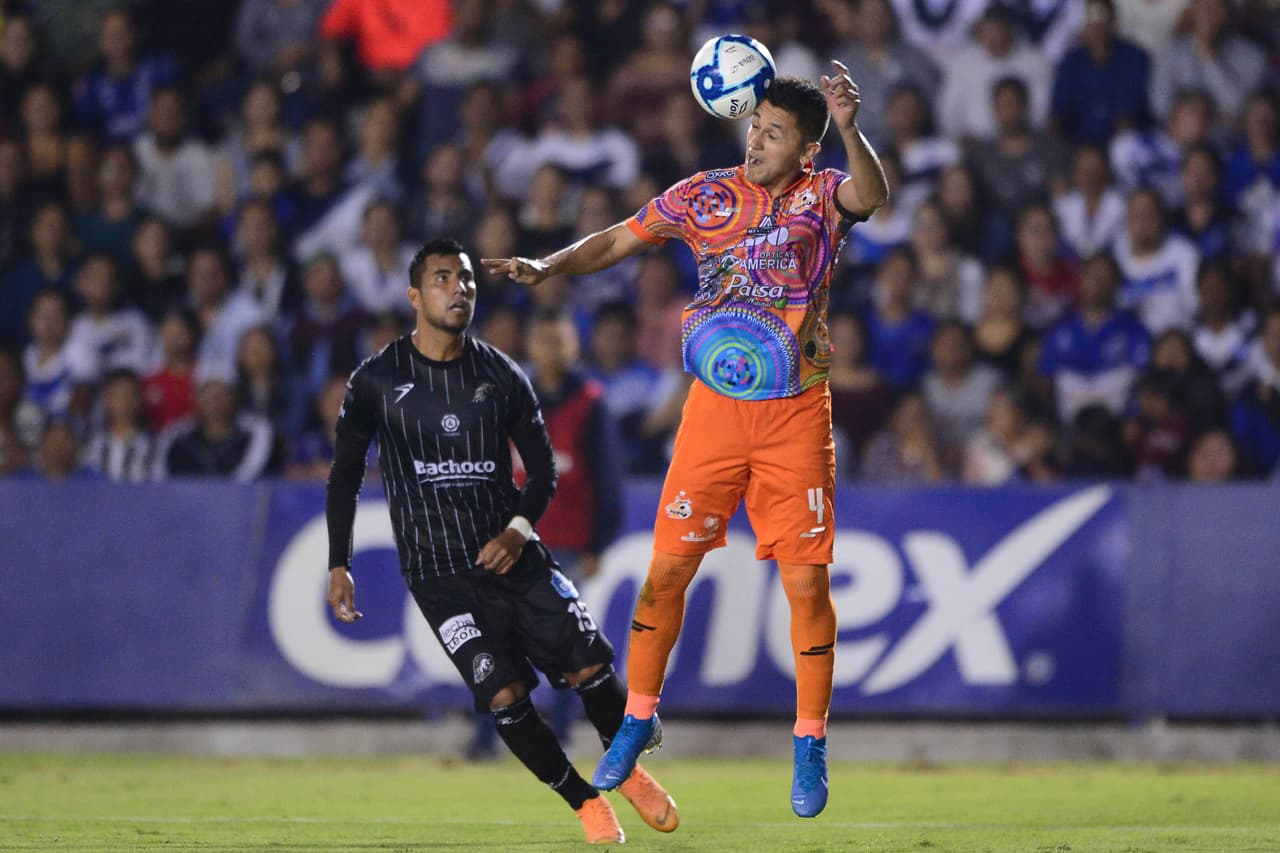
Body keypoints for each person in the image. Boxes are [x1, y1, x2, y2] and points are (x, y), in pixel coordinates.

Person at [484, 65, 890, 818]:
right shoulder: (705, 194)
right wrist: (549, 264)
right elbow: (618, 239)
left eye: (774, 133)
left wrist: (851, 128)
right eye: (755, 126)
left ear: (807, 149)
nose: (755, 141)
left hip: (795, 414)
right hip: (712, 413)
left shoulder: (824, 195)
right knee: (665, 573)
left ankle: (809, 739)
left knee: (806, 585)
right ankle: (637, 718)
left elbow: (872, 195)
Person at [324, 238, 678, 845]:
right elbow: (345, 476)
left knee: (591, 665)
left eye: (466, 279)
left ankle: (627, 770)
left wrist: (517, 531)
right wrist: (339, 562)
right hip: (439, 576)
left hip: (516, 558)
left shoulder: (501, 374)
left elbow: (543, 472)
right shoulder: (376, 380)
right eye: (442, 278)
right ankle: (584, 802)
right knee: (504, 694)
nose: (458, 288)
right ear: (415, 296)